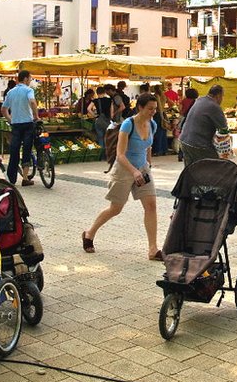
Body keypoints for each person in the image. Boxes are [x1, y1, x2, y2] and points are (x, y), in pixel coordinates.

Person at [83, 93, 163, 261]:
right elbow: (120, 154)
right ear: (140, 107)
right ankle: (89, 233)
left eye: (155, 109)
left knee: (151, 206)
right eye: (150, 108)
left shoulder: (152, 124)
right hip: (124, 169)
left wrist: (148, 165)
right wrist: (134, 172)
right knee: (116, 208)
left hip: (142, 169)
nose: (153, 112)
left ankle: (153, 249)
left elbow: (148, 146)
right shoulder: (128, 124)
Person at [2, 70, 38, 186]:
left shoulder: (11, 92)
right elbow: (32, 102)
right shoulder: (29, 90)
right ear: (26, 79)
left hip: (16, 125)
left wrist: (10, 119)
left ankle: (11, 180)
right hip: (28, 124)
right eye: (30, 79)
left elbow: (3, 109)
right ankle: (25, 178)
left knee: (14, 151)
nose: (30, 81)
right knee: (27, 150)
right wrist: (36, 116)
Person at [179, 85, 228, 167]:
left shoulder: (199, 100)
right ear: (218, 95)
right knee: (212, 167)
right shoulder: (214, 106)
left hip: (184, 140)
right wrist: (226, 151)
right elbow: (223, 129)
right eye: (222, 96)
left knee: (190, 171)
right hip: (199, 144)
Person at [176, 88, 200, 161]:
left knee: (183, 137)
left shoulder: (183, 101)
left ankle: (180, 155)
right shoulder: (197, 102)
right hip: (194, 121)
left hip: (184, 121)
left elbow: (180, 111)